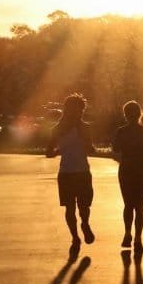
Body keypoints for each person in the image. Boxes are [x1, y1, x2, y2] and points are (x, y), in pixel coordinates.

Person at [45, 93, 97, 253]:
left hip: (78, 172)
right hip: (70, 172)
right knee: (70, 208)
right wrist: (56, 151)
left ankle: (84, 224)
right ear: (67, 110)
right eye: (73, 109)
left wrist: (87, 146)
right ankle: (75, 236)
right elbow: (48, 151)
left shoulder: (83, 128)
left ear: (82, 110)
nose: (76, 113)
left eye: (79, 109)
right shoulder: (58, 129)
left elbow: (91, 149)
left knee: (82, 207)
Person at [111, 100, 143, 252]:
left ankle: (127, 232)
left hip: (126, 170)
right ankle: (138, 238)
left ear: (125, 115)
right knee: (140, 207)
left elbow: (115, 149)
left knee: (128, 205)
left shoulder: (121, 131)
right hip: (142, 170)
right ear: (139, 113)